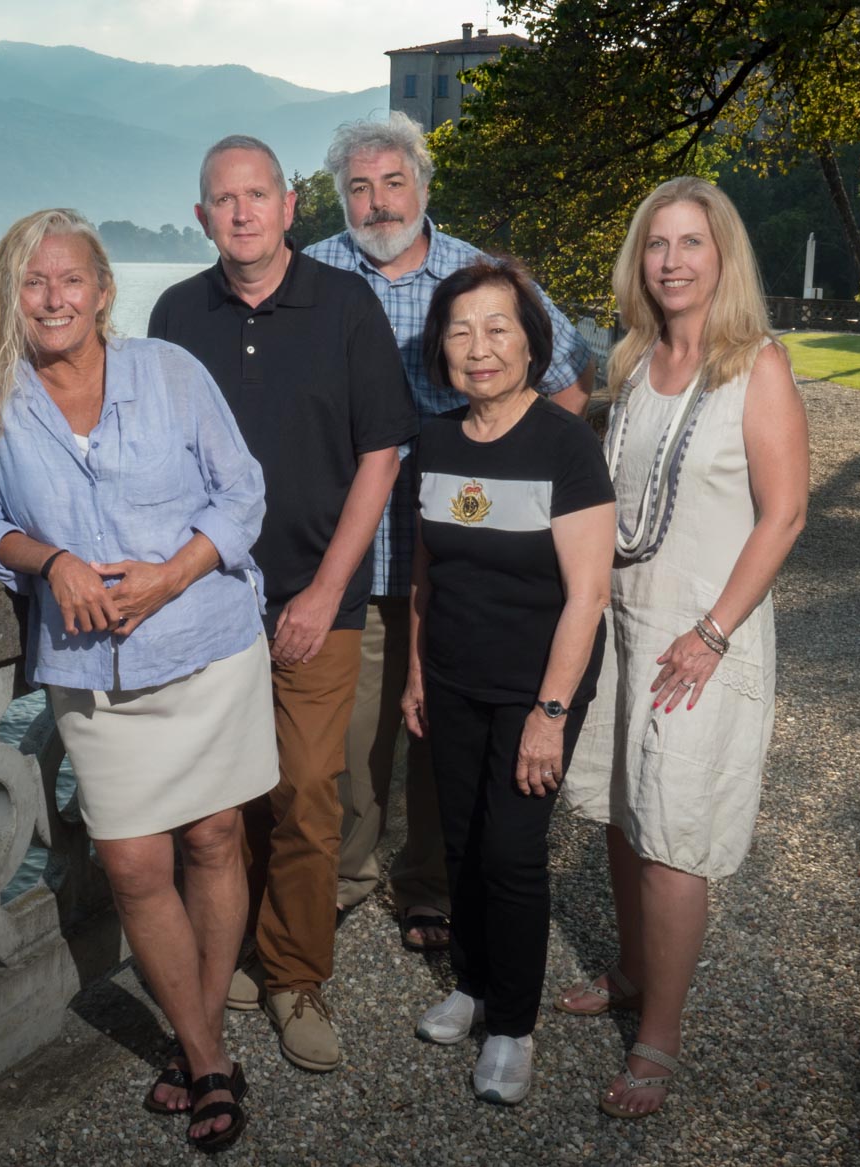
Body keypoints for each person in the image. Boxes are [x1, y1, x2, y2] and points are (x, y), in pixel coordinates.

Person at [0, 208, 276, 1151]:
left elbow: (242, 489)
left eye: (70, 280)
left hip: (206, 642)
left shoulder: (170, 371)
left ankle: (198, 1046)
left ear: (102, 291)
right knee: (135, 863)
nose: (53, 298)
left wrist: (173, 573)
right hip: (92, 670)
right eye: (32, 282)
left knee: (215, 835)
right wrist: (51, 562)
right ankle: (209, 1051)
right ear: (11, 296)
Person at [149, 136, 416, 1072]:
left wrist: (328, 589)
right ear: (203, 217)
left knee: (308, 791)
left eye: (256, 194)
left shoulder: (346, 305)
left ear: (290, 203)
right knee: (227, 798)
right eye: (223, 200)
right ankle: (247, 946)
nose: (242, 213)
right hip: (210, 605)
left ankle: (296, 973)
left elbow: (381, 452)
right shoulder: (176, 313)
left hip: (318, 599)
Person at [306, 113, 595, 951]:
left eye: (393, 182)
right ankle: (351, 875)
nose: (378, 200)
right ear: (341, 198)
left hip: (460, 567)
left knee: (442, 748)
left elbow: (569, 378)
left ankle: (429, 885)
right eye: (359, 186)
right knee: (355, 748)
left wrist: (525, 469)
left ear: (424, 188)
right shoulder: (314, 274)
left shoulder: (477, 275)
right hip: (357, 564)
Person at [557, 176, 809, 1119]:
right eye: (656, 245)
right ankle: (628, 972)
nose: (671, 261)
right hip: (624, 620)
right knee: (624, 811)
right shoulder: (630, 361)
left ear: (722, 256)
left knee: (673, 838)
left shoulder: (759, 365)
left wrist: (711, 634)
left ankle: (658, 1037)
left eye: (690, 243)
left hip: (704, 632)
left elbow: (784, 516)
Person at [400, 256, 615, 1105]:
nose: (478, 348)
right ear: (441, 350)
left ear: (531, 345)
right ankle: (473, 983)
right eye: (460, 331)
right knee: (460, 841)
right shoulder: (437, 440)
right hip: (452, 677)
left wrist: (550, 714)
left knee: (513, 852)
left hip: (538, 686)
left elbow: (588, 593)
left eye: (498, 329)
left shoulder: (566, 445)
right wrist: (417, 672)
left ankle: (515, 1027)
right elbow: (428, 574)